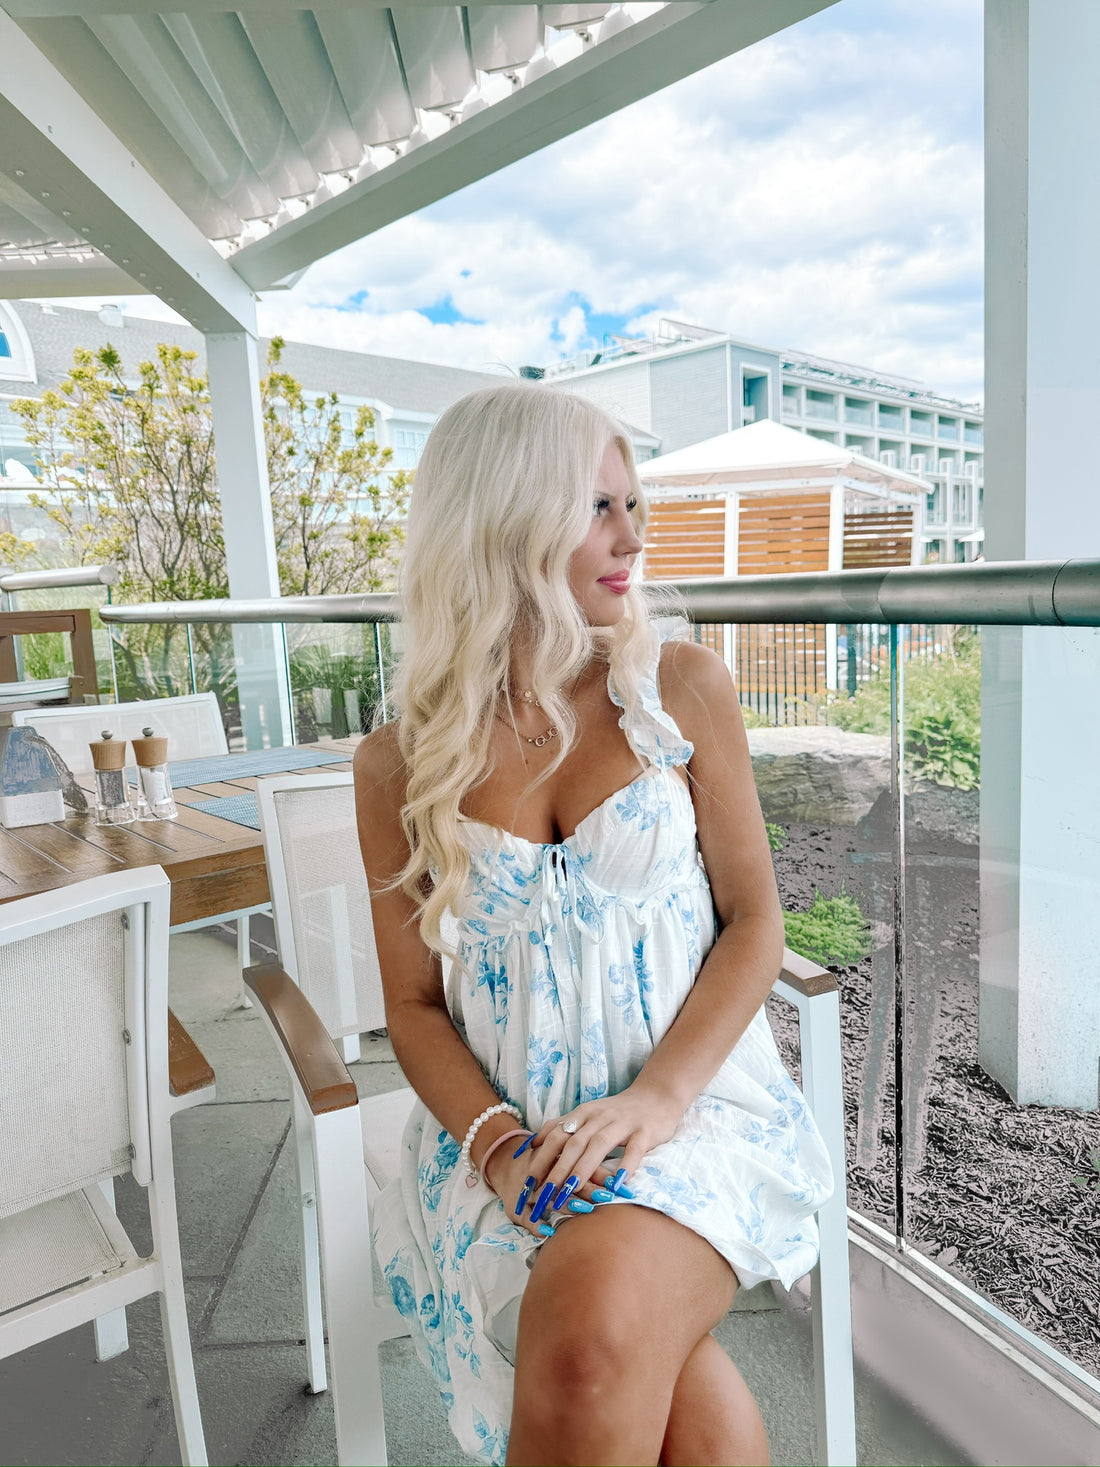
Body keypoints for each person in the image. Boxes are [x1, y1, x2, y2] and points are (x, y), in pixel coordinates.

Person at [353, 382, 833, 1467]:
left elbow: (755, 921)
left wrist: (657, 1102)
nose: (631, 538)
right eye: (596, 508)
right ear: (503, 521)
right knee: (674, 1415)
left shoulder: (680, 690)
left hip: (691, 1109)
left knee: (581, 1352)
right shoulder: (395, 764)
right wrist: (496, 1146)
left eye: (632, 505)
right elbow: (410, 1006)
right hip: (507, 1139)